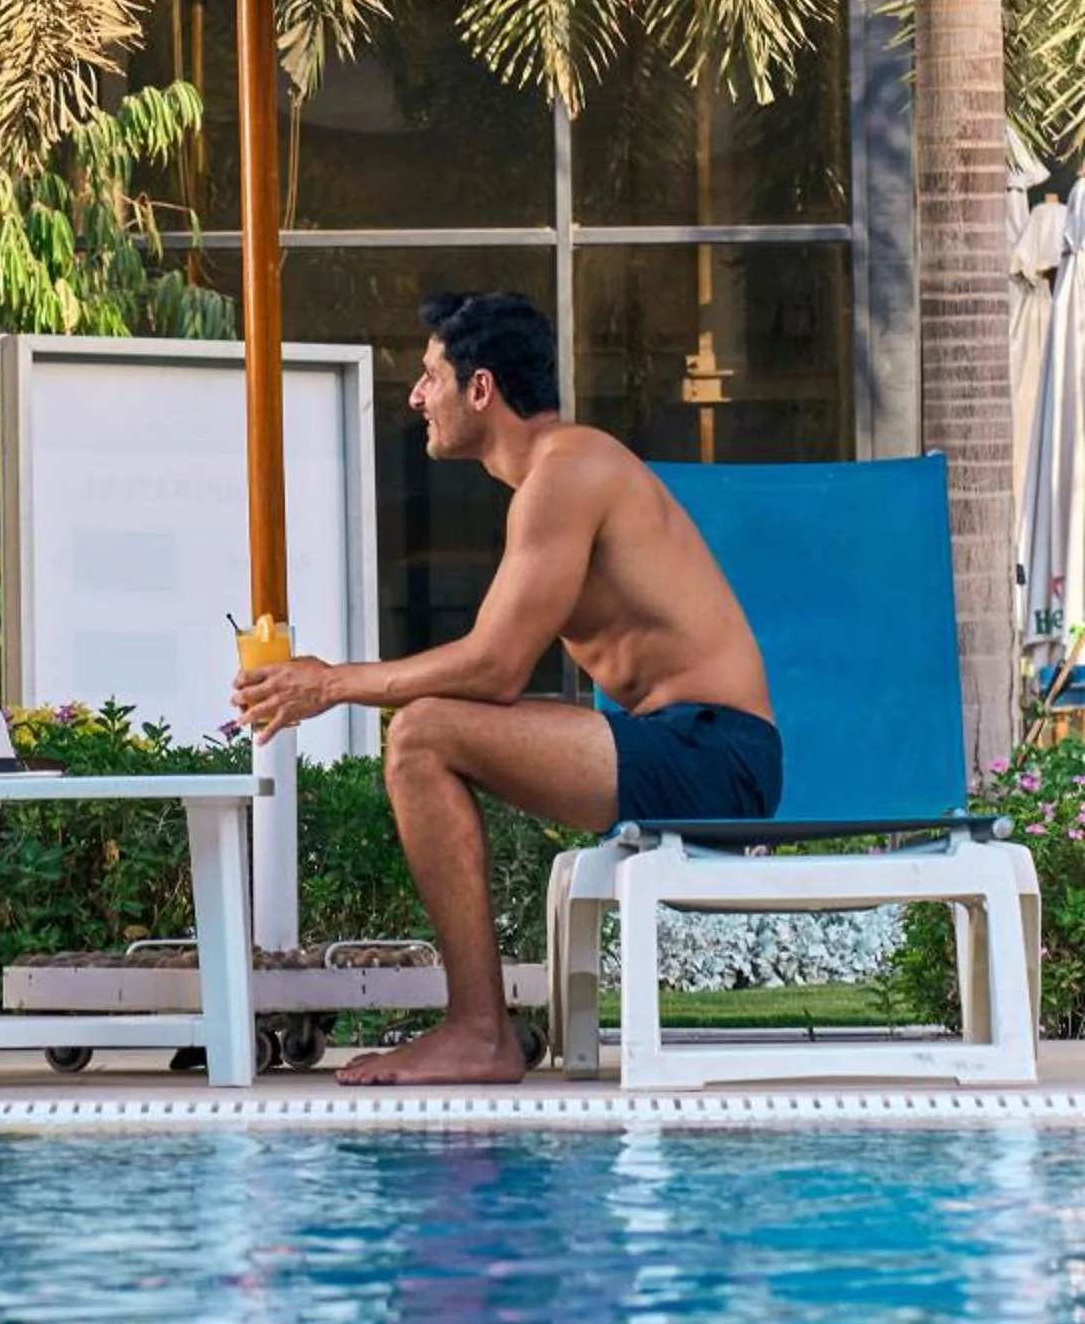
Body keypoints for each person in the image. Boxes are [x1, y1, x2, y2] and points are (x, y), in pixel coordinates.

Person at [231, 290, 781, 1088]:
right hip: (685, 749)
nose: (416, 398)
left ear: (481, 388)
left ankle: (478, 1031)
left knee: (423, 735)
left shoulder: (569, 471)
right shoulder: (554, 478)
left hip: (715, 759)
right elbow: (495, 676)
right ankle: (478, 1027)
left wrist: (332, 684)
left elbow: (495, 669)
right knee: (428, 729)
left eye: (430, 377)